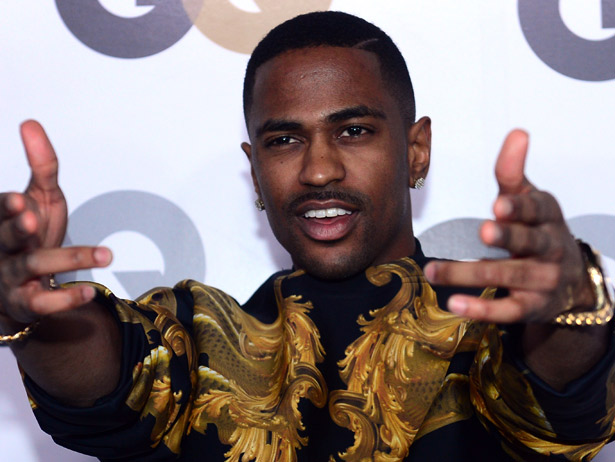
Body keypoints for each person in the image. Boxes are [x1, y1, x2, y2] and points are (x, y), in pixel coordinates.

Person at [0, 11, 613, 462]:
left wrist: (570, 311)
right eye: (284, 140)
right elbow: (108, 386)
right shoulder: (202, 337)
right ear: (255, 171)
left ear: (416, 150)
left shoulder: (493, 331)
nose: (319, 170)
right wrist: (30, 313)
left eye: (353, 131)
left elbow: (562, 403)